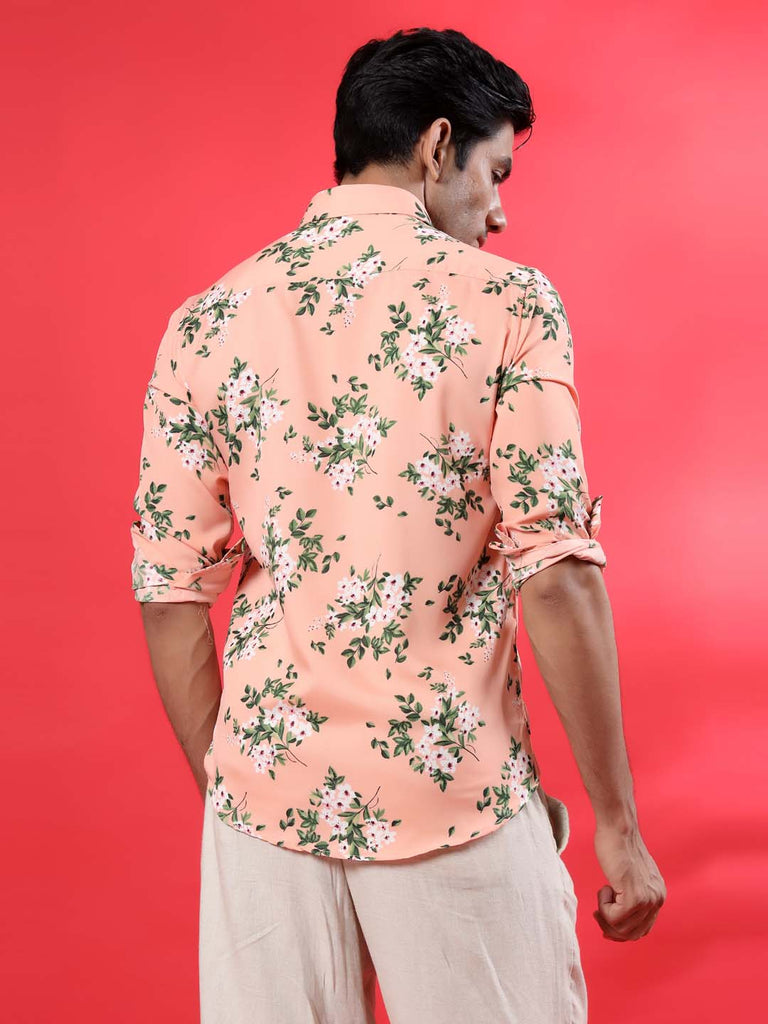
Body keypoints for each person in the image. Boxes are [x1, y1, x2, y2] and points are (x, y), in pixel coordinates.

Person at [130, 25, 666, 1024]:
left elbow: (170, 596)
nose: (499, 212)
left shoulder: (206, 320)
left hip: (262, 810)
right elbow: (555, 573)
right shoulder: (509, 303)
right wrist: (619, 827)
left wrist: (244, 793)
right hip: (452, 796)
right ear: (435, 147)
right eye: (495, 174)